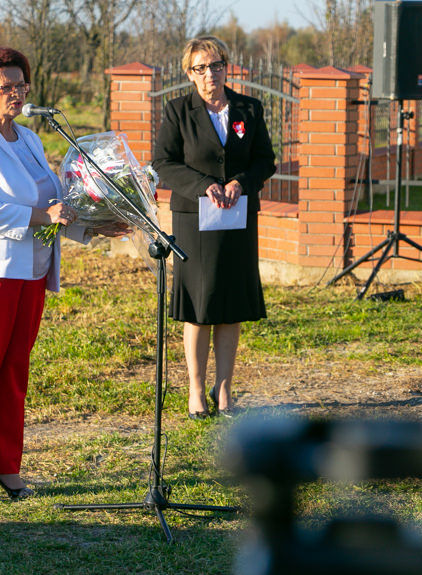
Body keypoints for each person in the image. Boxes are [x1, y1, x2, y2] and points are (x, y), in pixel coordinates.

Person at [0, 46, 127, 504]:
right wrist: (43, 217)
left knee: (13, 372)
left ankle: (6, 465)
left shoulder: (29, 139)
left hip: (30, 271)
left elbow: (56, 200)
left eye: (22, 85)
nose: (18, 94)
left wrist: (97, 223)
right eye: (7, 86)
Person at [152, 36, 276, 420]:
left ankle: (223, 391)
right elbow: (164, 162)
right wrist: (203, 184)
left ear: (227, 67)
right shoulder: (177, 111)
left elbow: (265, 160)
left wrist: (241, 181)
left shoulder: (248, 109)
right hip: (195, 220)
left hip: (237, 218)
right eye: (200, 68)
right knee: (200, 307)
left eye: (216, 65)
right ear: (189, 74)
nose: (210, 74)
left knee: (231, 305)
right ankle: (195, 390)